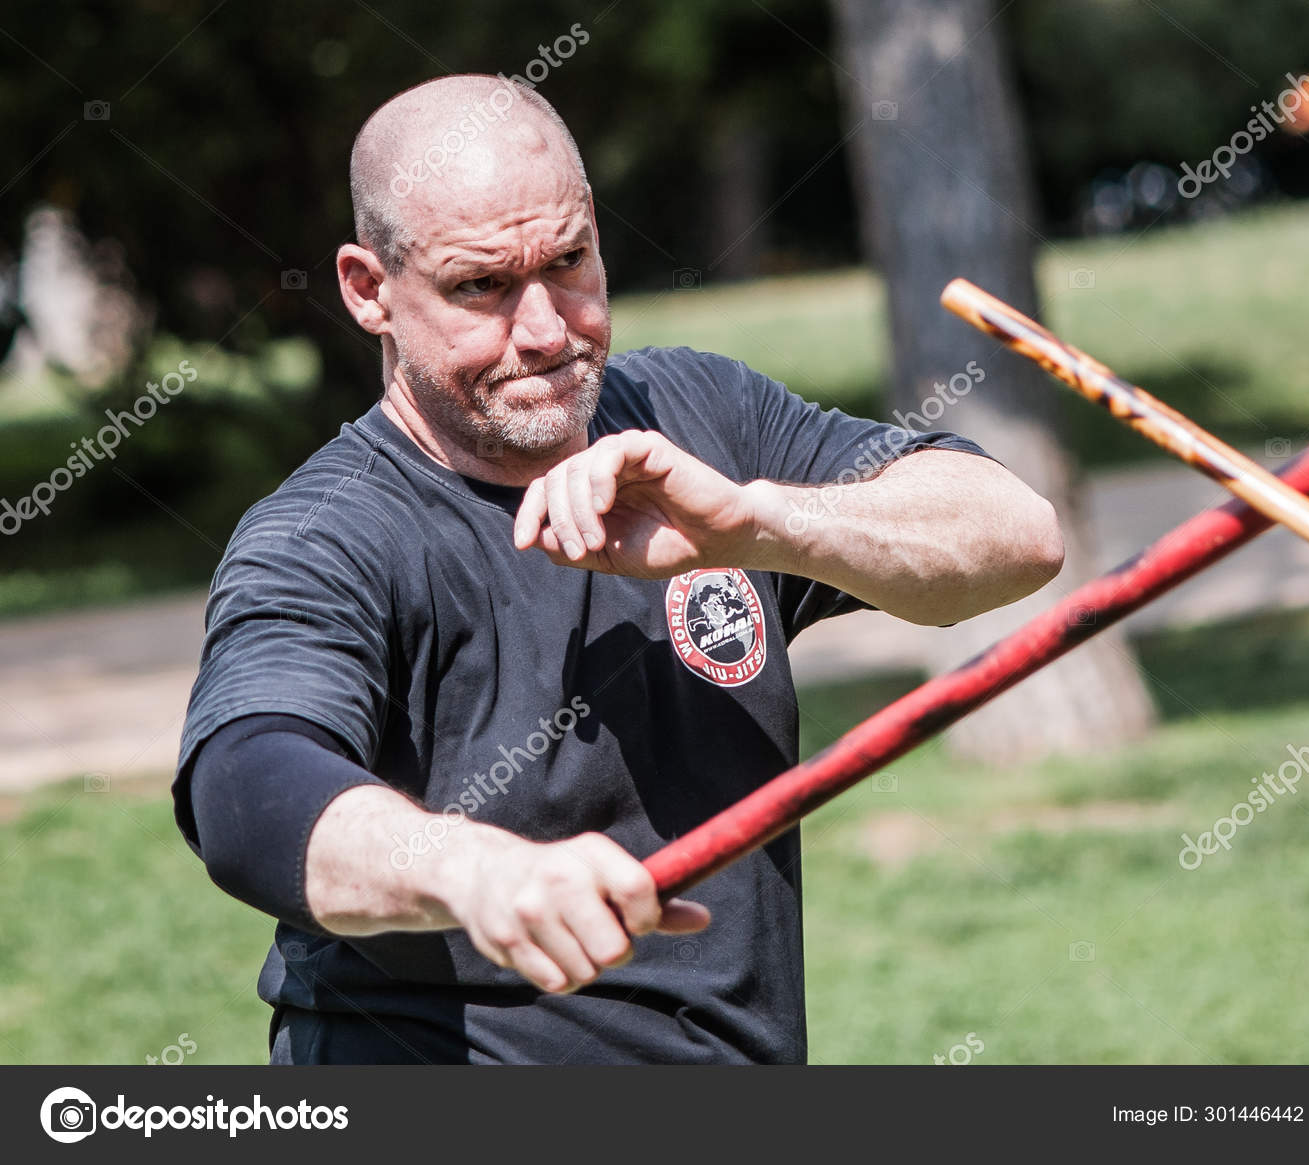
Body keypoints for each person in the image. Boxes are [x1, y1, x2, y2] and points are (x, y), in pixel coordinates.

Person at [174, 74, 1065, 1065]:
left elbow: (1013, 535)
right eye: (481, 286)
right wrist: (471, 870)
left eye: (569, 261)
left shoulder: (698, 413)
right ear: (368, 289)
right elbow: (245, 784)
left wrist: (757, 523)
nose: (548, 330)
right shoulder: (325, 536)